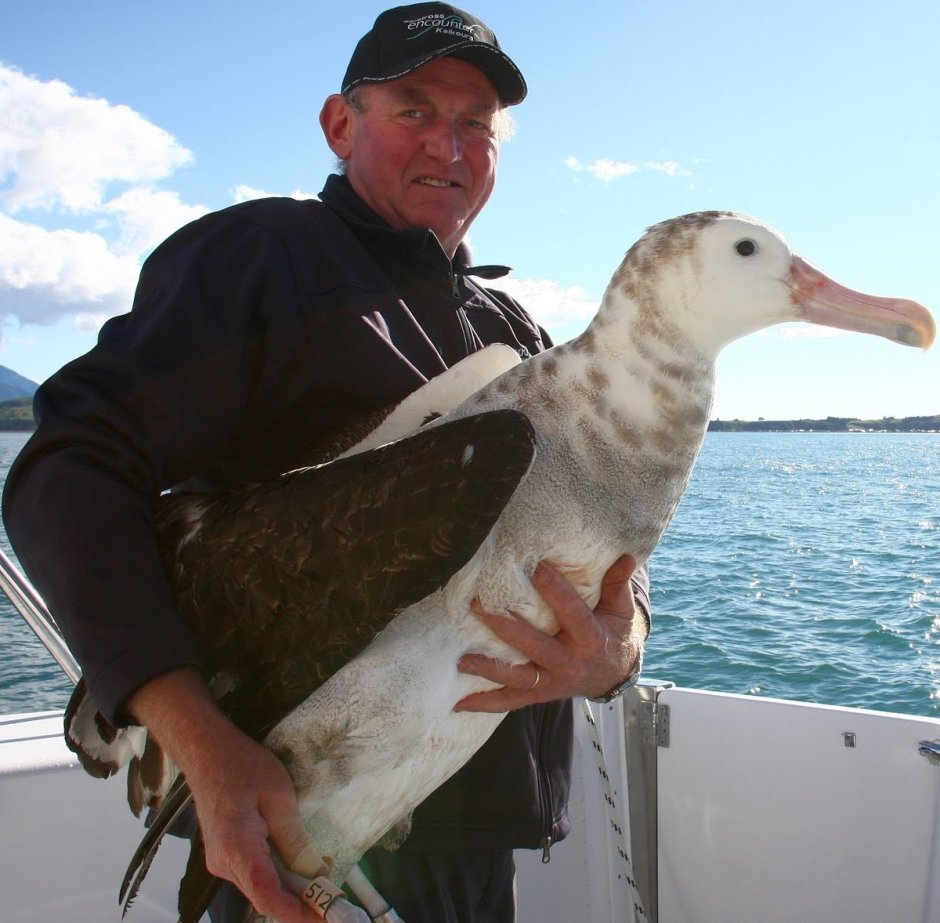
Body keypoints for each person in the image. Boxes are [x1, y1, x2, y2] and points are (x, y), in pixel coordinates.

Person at [2, 4, 650, 921]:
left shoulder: (517, 333)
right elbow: (68, 469)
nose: (450, 146)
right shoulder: (264, 261)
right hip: (300, 827)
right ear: (341, 125)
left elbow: (608, 549)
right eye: (416, 111)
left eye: (476, 124)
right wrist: (202, 743)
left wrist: (617, 651)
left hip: (477, 829)